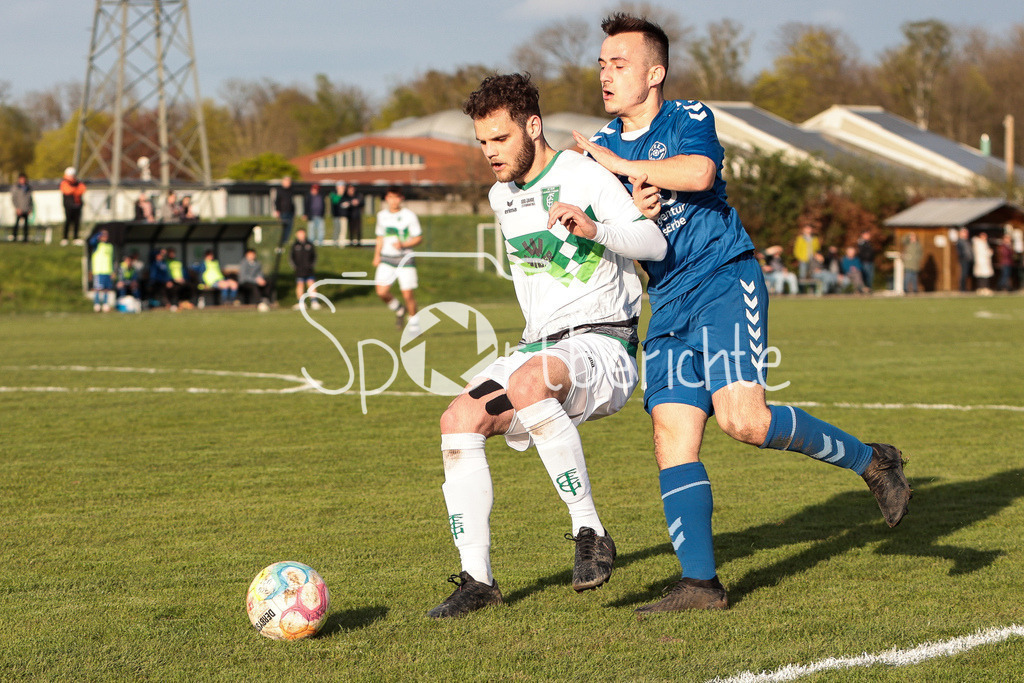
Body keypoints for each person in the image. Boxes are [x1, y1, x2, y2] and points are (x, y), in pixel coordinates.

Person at [572, 12, 911, 613]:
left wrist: (625, 168)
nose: (605, 74)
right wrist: (631, 211)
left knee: (745, 422)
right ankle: (700, 585)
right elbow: (616, 228)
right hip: (667, 299)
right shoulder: (599, 148)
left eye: (618, 64)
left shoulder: (687, 117)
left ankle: (873, 461)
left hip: (724, 280)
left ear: (655, 73)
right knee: (671, 435)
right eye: (601, 64)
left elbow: (699, 172)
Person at [427, 73, 667, 619]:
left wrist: (594, 228)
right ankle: (478, 580)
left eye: (501, 138)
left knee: (530, 382)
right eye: (482, 142)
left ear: (533, 126)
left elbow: (652, 241)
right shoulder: (501, 195)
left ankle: (590, 530)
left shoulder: (585, 175)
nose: (490, 152)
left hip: (603, 342)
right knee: (458, 419)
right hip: (537, 346)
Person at [373, 187, 421, 329]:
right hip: (387, 259)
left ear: (401, 198)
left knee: (408, 295)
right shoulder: (381, 215)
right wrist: (377, 255)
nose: (393, 201)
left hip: (405, 260)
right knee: (381, 292)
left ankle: (414, 325)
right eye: (390, 197)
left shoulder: (409, 216)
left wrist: (404, 244)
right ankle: (399, 309)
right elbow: (380, 237)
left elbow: (418, 237)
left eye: (396, 197)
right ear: (386, 198)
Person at [290, 228, 320, 310]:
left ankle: (314, 302)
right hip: (299, 269)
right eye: (299, 234)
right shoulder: (295, 245)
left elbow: (314, 256)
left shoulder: (309, 244)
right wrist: (295, 267)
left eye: (302, 233)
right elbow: (291, 258)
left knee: (311, 284)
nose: (301, 235)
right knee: (300, 285)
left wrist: (311, 265)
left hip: (309, 269)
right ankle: (301, 302)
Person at [87, 229, 114, 312]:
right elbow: (91, 241)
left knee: (106, 289)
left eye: (106, 235)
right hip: (99, 270)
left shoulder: (110, 246)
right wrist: (98, 234)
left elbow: (111, 259)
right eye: (103, 235)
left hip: (107, 271)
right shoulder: (97, 245)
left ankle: (105, 304)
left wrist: (112, 271)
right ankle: (97, 304)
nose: (105, 237)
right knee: (98, 288)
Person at [60, 167, 86, 246]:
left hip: (77, 205)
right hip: (68, 205)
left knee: (76, 222)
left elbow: (82, 189)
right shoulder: (64, 183)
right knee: (68, 221)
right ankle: (65, 238)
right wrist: (76, 190)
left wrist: (75, 190)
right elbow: (68, 191)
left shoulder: (78, 183)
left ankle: (76, 238)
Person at [273, 177, 297, 245]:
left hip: (290, 212)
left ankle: (286, 240)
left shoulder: (291, 191)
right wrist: (277, 210)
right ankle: (281, 241)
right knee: (283, 227)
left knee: (289, 227)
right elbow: (277, 201)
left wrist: (294, 211)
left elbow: (292, 202)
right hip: (283, 212)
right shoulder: (280, 191)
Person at [10, 173, 32, 242]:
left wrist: (30, 208)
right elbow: (14, 199)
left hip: (26, 208)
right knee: (17, 224)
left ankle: (25, 238)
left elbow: (30, 199)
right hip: (19, 208)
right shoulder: (16, 187)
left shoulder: (28, 187)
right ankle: (14, 237)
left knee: (26, 225)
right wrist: (17, 208)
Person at [328, 181, 347, 245]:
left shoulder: (345, 194)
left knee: (343, 229)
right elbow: (335, 201)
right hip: (336, 215)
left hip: (343, 215)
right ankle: (335, 242)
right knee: (336, 229)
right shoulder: (333, 194)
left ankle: (342, 243)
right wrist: (339, 194)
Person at [956, 228, 974, 292]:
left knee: (967, 274)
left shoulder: (967, 241)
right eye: (965, 233)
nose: (966, 234)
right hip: (964, 260)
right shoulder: (959, 241)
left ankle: (966, 287)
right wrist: (963, 257)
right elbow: (959, 252)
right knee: (963, 274)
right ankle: (962, 288)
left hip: (969, 259)